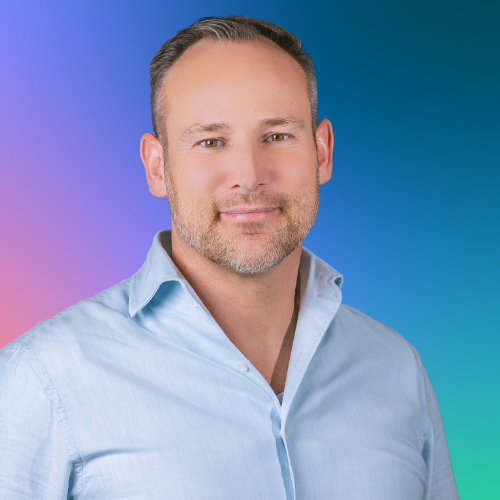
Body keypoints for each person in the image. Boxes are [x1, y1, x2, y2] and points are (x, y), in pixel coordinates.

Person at [0, 15, 459, 500]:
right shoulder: (43, 378)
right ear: (157, 167)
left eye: (277, 135)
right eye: (211, 141)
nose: (249, 174)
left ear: (322, 152)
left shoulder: (397, 369)